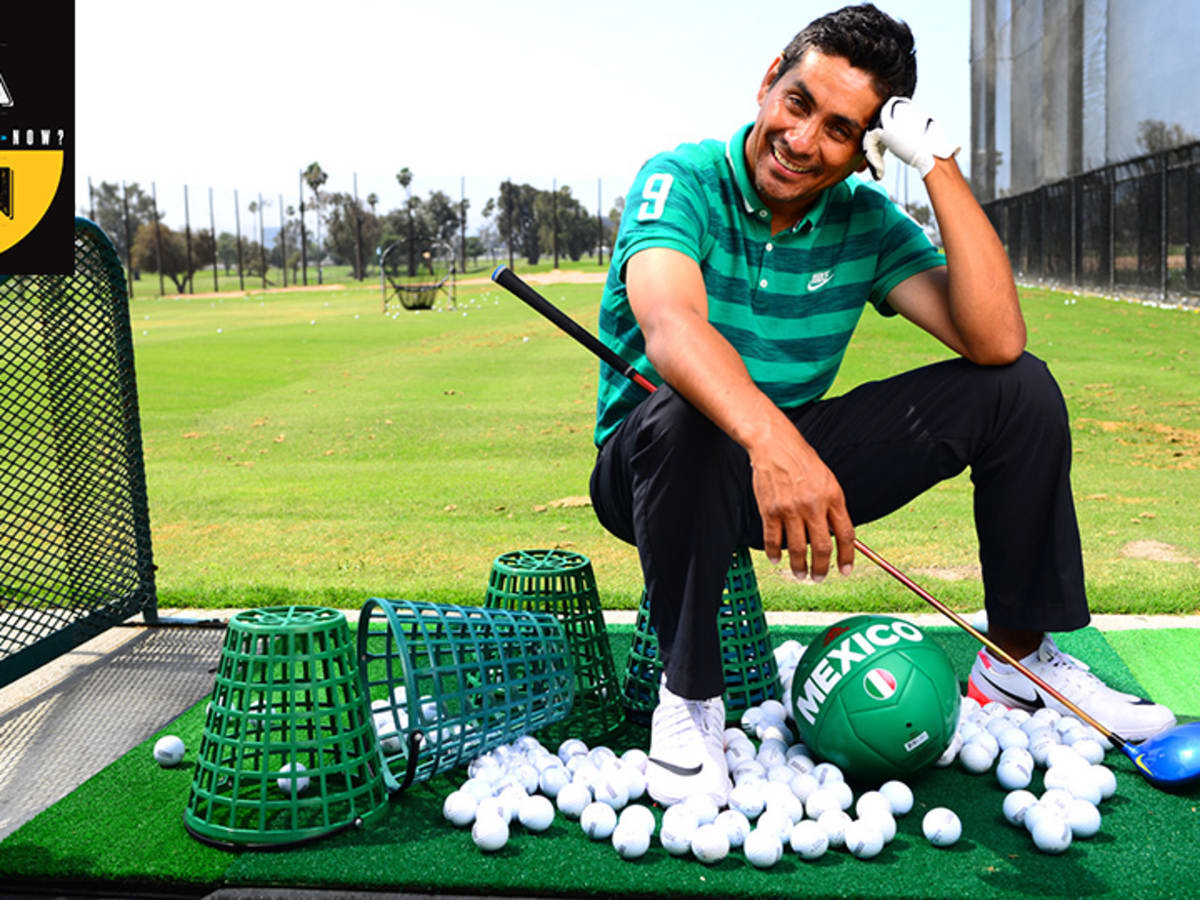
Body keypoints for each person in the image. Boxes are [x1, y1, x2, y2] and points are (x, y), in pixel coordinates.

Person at [588, 3, 1175, 807]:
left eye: (838, 129)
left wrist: (935, 164)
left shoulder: (866, 219)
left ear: (868, 151)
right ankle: (689, 699)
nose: (802, 140)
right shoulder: (679, 179)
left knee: (1018, 390)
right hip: (654, 471)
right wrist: (775, 445)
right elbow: (671, 326)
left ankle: (1015, 662)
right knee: (687, 411)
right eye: (798, 104)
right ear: (768, 84)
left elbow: (996, 339)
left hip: (787, 464)